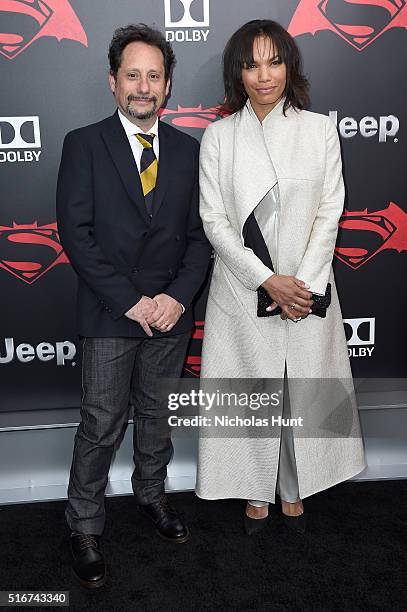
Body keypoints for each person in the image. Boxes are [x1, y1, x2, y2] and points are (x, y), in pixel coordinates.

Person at [196, 20, 366, 535]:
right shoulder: (219, 137)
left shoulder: (319, 130)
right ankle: (253, 488)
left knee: (300, 390)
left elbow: (330, 211)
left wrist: (303, 285)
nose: (264, 75)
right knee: (252, 390)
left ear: (289, 66)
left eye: (274, 61)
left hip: (306, 289)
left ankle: (292, 487)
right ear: (237, 73)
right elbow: (214, 221)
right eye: (251, 64)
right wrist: (267, 280)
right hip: (243, 289)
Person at [57, 23, 211, 588]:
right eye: (132, 75)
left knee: (155, 416)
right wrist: (132, 302)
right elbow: (76, 235)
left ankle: (152, 496)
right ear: (112, 82)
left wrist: (174, 298)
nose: (143, 87)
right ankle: (85, 524)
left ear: (167, 87)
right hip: (109, 314)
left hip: (170, 314)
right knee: (100, 424)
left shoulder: (190, 152)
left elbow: (201, 236)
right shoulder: (83, 144)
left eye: (154, 76)